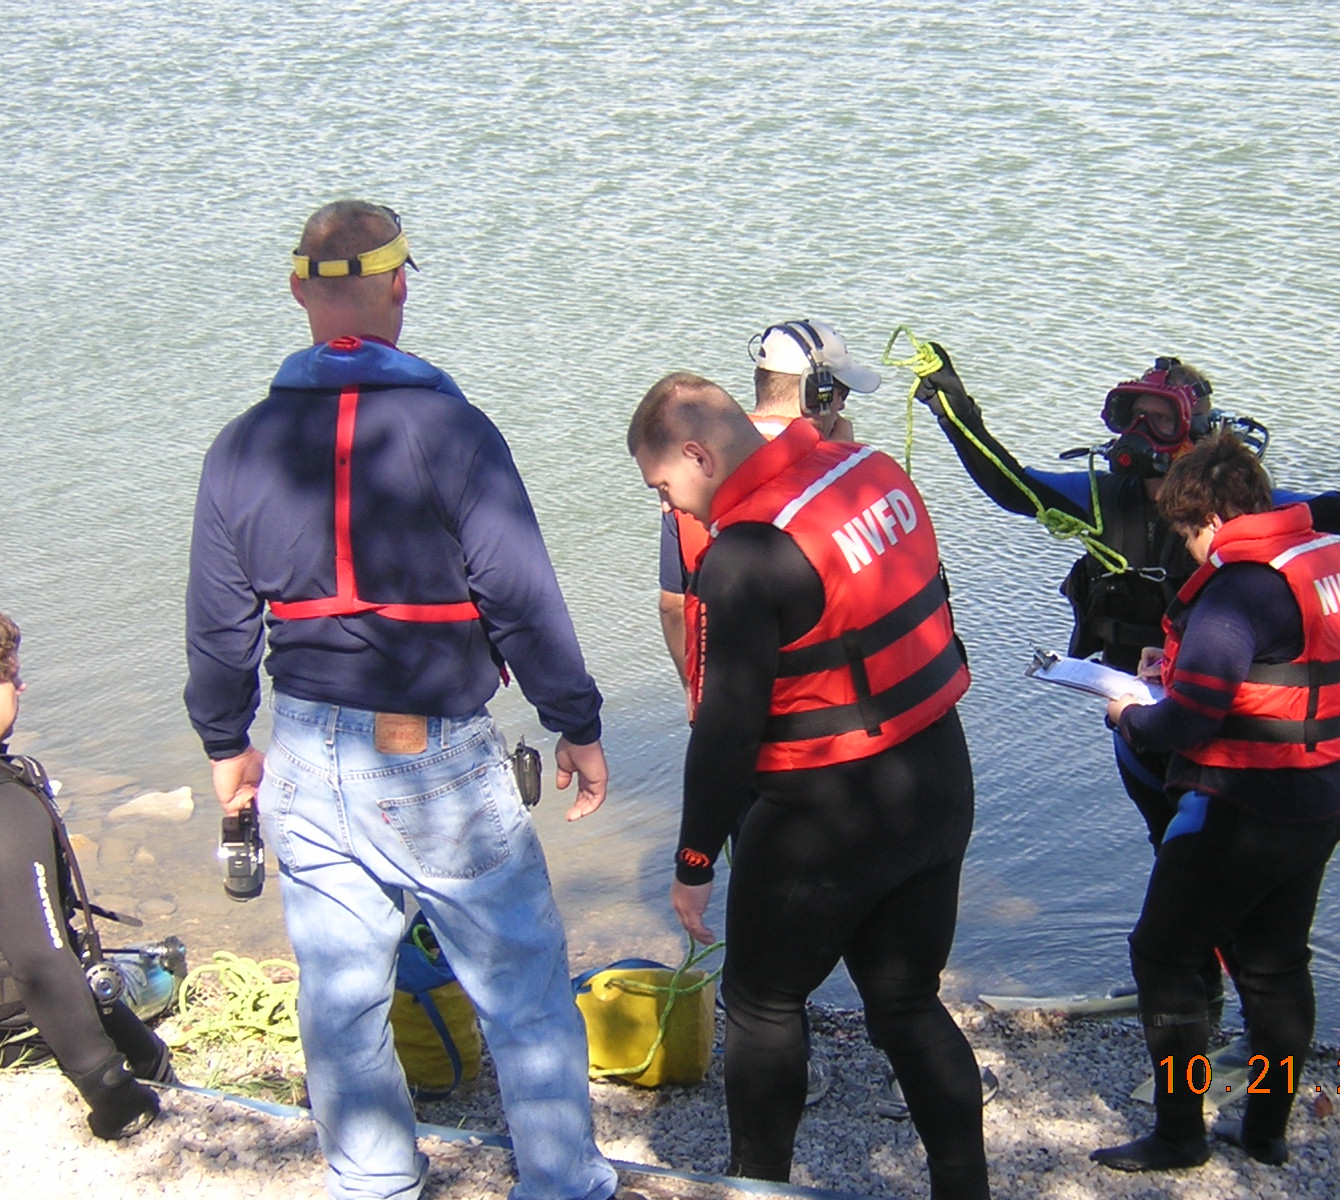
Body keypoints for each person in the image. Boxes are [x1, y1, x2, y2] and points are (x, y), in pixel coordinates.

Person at [185, 200, 621, 1200]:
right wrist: (576, 723)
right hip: (428, 757)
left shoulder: (241, 447)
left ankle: (373, 1181)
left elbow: (219, 627)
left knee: (340, 1002)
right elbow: (516, 592)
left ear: (298, 290)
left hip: (300, 748)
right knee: (519, 989)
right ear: (400, 286)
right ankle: (560, 1183)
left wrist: (224, 742)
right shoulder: (453, 430)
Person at [629, 375, 990, 1200]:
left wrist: (693, 860)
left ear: (698, 453)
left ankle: (759, 1186)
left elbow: (725, 730)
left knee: (761, 1004)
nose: (676, 509)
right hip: (936, 777)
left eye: (666, 487)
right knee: (904, 1002)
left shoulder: (744, 554)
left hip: (824, 815)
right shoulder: (872, 470)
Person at [914, 348, 1340, 847]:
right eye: (1129, 412)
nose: (1139, 430)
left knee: (1201, 879)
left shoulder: (1242, 508)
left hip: (1215, 730)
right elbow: (1013, 486)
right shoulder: (1106, 499)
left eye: (1159, 417)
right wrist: (957, 411)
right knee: (1173, 856)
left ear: (1196, 430)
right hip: (1136, 718)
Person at [1093, 433, 1340, 1171]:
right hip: (1327, 794)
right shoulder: (1324, 557)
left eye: (1186, 531)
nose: (1186, 546)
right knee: (1276, 965)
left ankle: (1179, 1135)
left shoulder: (1239, 585)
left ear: (1212, 519)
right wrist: (1177, 665)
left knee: (1165, 954)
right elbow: (1287, 668)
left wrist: (1131, 713)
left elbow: (1186, 724)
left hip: (1247, 802)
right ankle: (1265, 1130)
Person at [0, 601, 171, 1141]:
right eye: (10, 675)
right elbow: (40, 966)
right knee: (154, 1066)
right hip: (4, 1033)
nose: (21, 689)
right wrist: (110, 1088)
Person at [656, 319, 879, 703]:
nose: (843, 404)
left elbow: (673, 605)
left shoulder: (694, 479)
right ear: (817, 394)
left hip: (726, 701)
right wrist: (841, 458)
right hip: (814, 706)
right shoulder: (839, 474)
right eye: (840, 392)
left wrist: (695, 693)